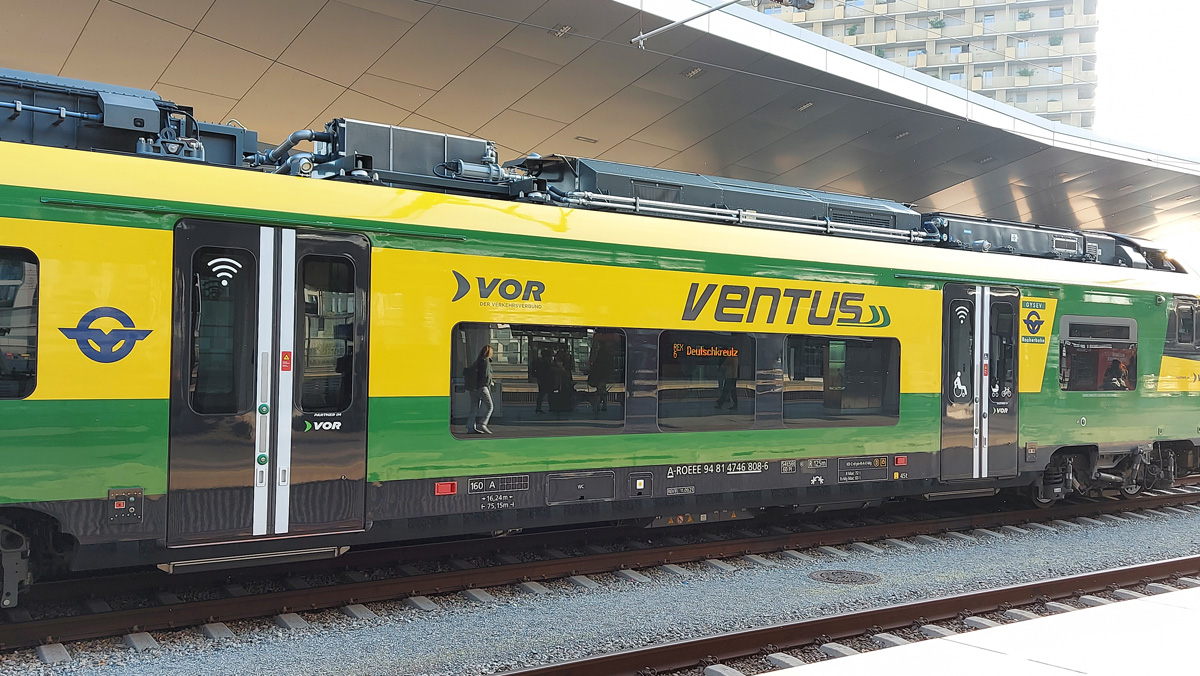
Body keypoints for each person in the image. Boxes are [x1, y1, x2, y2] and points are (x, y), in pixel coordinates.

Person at [466, 345, 494, 434]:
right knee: (490, 407)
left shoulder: (478, 361)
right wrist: (490, 382)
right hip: (482, 388)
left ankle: (470, 427)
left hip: (473, 388)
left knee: (474, 408)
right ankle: (483, 423)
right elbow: (486, 376)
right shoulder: (486, 362)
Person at [533, 348, 553, 414]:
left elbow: (533, 369)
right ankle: (551, 407)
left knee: (541, 394)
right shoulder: (548, 361)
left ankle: (538, 408)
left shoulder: (538, 361)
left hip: (541, 379)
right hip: (547, 378)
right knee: (549, 394)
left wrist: (536, 376)